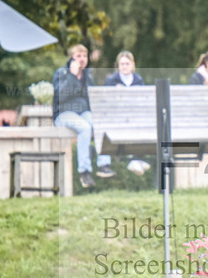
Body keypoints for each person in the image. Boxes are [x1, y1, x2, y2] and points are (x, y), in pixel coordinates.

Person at [52, 43, 113, 188]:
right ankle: (84, 172)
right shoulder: (62, 73)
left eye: (84, 56)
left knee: (100, 125)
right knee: (84, 127)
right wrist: (72, 76)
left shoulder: (87, 75)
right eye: (78, 56)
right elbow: (60, 96)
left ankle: (104, 165)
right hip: (64, 114)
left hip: (83, 113)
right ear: (71, 58)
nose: (82, 59)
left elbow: (91, 99)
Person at [103, 50, 150, 176]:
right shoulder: (111, 81)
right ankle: (134, 158)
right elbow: (107, 103)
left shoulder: (138, 80)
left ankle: (137, 158)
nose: (124, 66)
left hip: (135, 115)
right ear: (118, 66)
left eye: (127, 64)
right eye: (122, 64)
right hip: (116, 116)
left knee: (143, 123)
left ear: (133, 65)